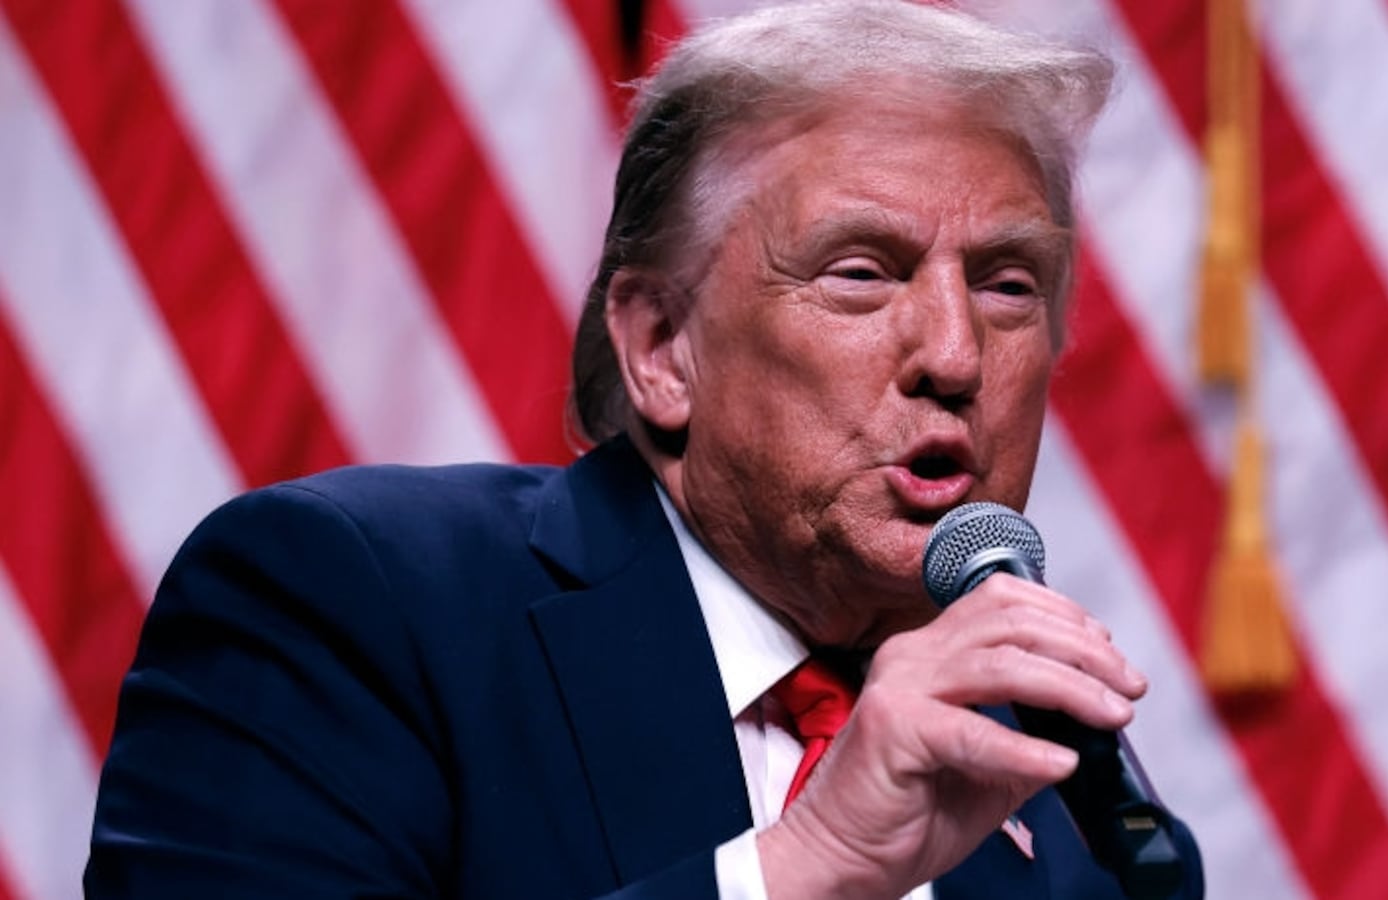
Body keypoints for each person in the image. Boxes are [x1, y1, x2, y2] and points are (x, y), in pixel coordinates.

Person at [86, 1, 1204, 897]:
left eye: (1010, 287)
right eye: (861, 272)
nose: (954, 356)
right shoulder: (356, 602)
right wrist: (806, 872)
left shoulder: (1063, 808)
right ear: (663, 350)